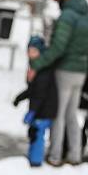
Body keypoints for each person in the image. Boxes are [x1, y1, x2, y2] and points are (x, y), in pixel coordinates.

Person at [29, 0, 88, 166]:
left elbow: (58, 47)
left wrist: (38, 64)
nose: (55, 1)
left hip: (65, 70)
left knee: (58, 114)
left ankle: (55, 155)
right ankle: (75, 155)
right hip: (81, 71)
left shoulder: (67, 17)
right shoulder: (86, 16)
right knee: (72, 114)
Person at [13, 36, 58, 167]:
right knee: (33, 132)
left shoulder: (44, 70)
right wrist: (19, 98)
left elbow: (39, 93)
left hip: (45, 109)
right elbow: (32, 89)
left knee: (38, 133)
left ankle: (36, 160)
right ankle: (33, 157)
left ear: (41, 52)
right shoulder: (35, 67)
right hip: (39, 108)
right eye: (29, 50)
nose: (30, 54)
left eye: (34, 51)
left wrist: (32, 111)